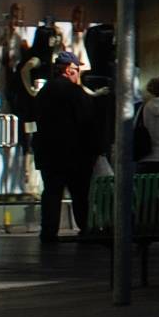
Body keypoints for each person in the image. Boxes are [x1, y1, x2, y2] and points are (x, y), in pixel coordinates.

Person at [31, 50, 104, 245]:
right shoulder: (75, 92)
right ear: (69, 70)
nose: (78, 73)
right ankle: (85, 228)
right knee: (80, 194)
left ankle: (49, 231)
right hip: (76, 154)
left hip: (49, 153)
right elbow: (88, 122)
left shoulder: (44, 93)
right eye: (77, 69)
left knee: (52, 192)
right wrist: (96, 149)